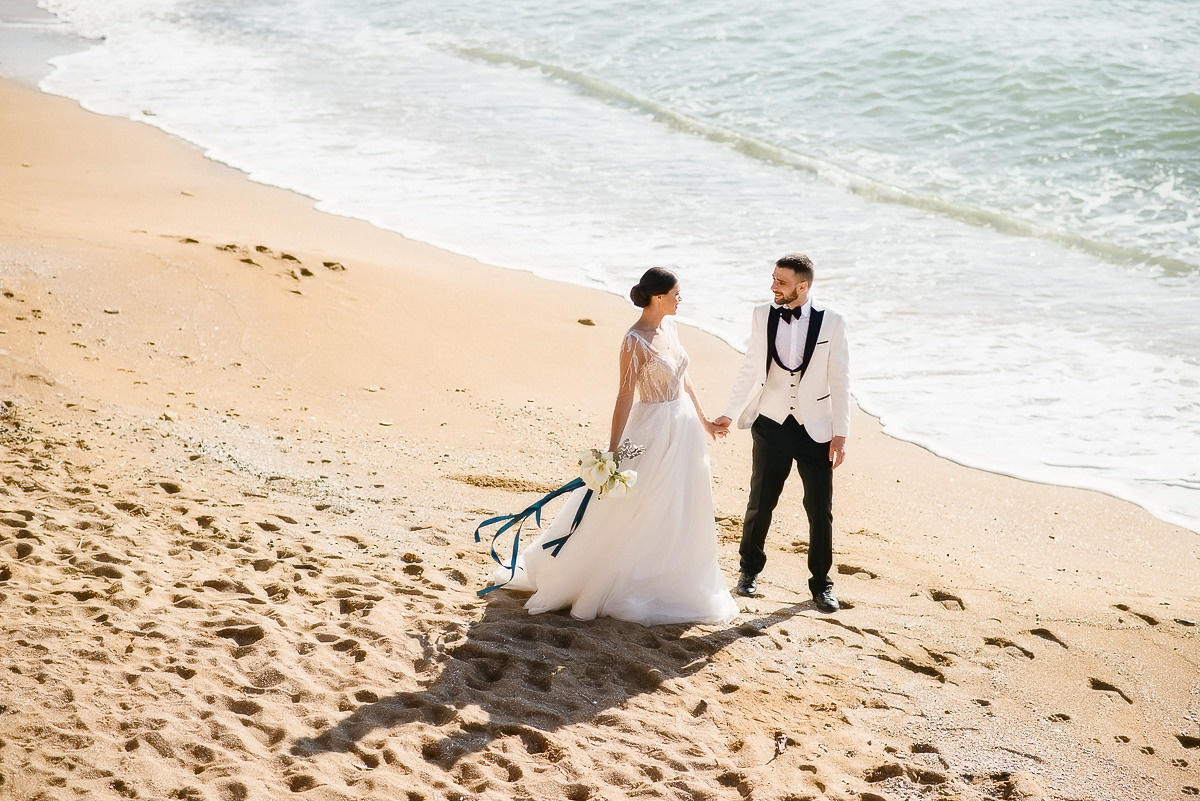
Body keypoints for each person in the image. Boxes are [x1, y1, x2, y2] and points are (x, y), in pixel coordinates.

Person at [489, 267, 738, 627]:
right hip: (650, 429)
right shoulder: (634, 341)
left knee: (681, 505)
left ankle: (672, 577)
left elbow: (685, 379)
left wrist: (705, 421)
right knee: (635, 505)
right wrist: (613, 451)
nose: (681, 299)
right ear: (657, 297)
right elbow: (624, 395)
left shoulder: (671, 327)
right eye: (676, 293)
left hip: (683, 431)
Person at [713, 254, 850, 613]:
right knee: (761, 502)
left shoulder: (833, 322)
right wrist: (728, 413)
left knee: (820, 510)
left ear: (803, 287)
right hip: (771, 422)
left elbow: (840, 379)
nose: (773, 286)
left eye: (782, 282)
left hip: (815, 429)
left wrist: (841, 434)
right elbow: (749, 367)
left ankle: (821, 584)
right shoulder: (763, 315)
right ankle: (748, 572)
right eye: (773, 279)